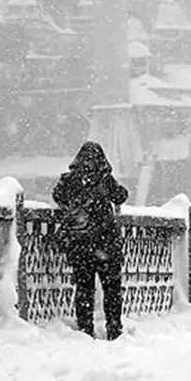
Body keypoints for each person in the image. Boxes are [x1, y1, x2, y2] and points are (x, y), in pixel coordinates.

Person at [52, 141, 130, 340]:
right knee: (112, 290)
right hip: (106, 244)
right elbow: (121, 196)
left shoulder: (70, 180)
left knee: (84, 289)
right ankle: (114, 328)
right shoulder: (105, 179)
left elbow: (57, 196)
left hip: (81, 245)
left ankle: (85, 329)